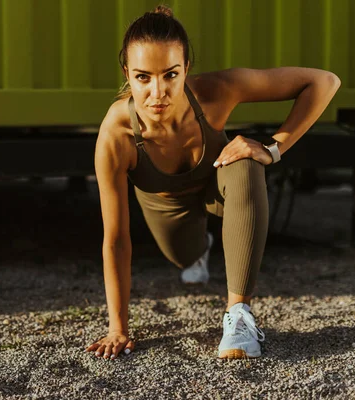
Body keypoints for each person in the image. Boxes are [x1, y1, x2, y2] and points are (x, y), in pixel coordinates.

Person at [86, 5, 340, 360]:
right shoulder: (118, 134)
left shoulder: (215, 92)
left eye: (170, 74)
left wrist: (273, 149)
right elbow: (115, 240)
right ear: (127, 73)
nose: (157, 92)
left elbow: (324, 81)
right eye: (143, 77)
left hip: (220, 187)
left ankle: (239, 315)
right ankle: (200, 248)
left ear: (186, 68)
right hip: (169, 210)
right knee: (184, 255)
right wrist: (118, 328)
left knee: (248, 163)